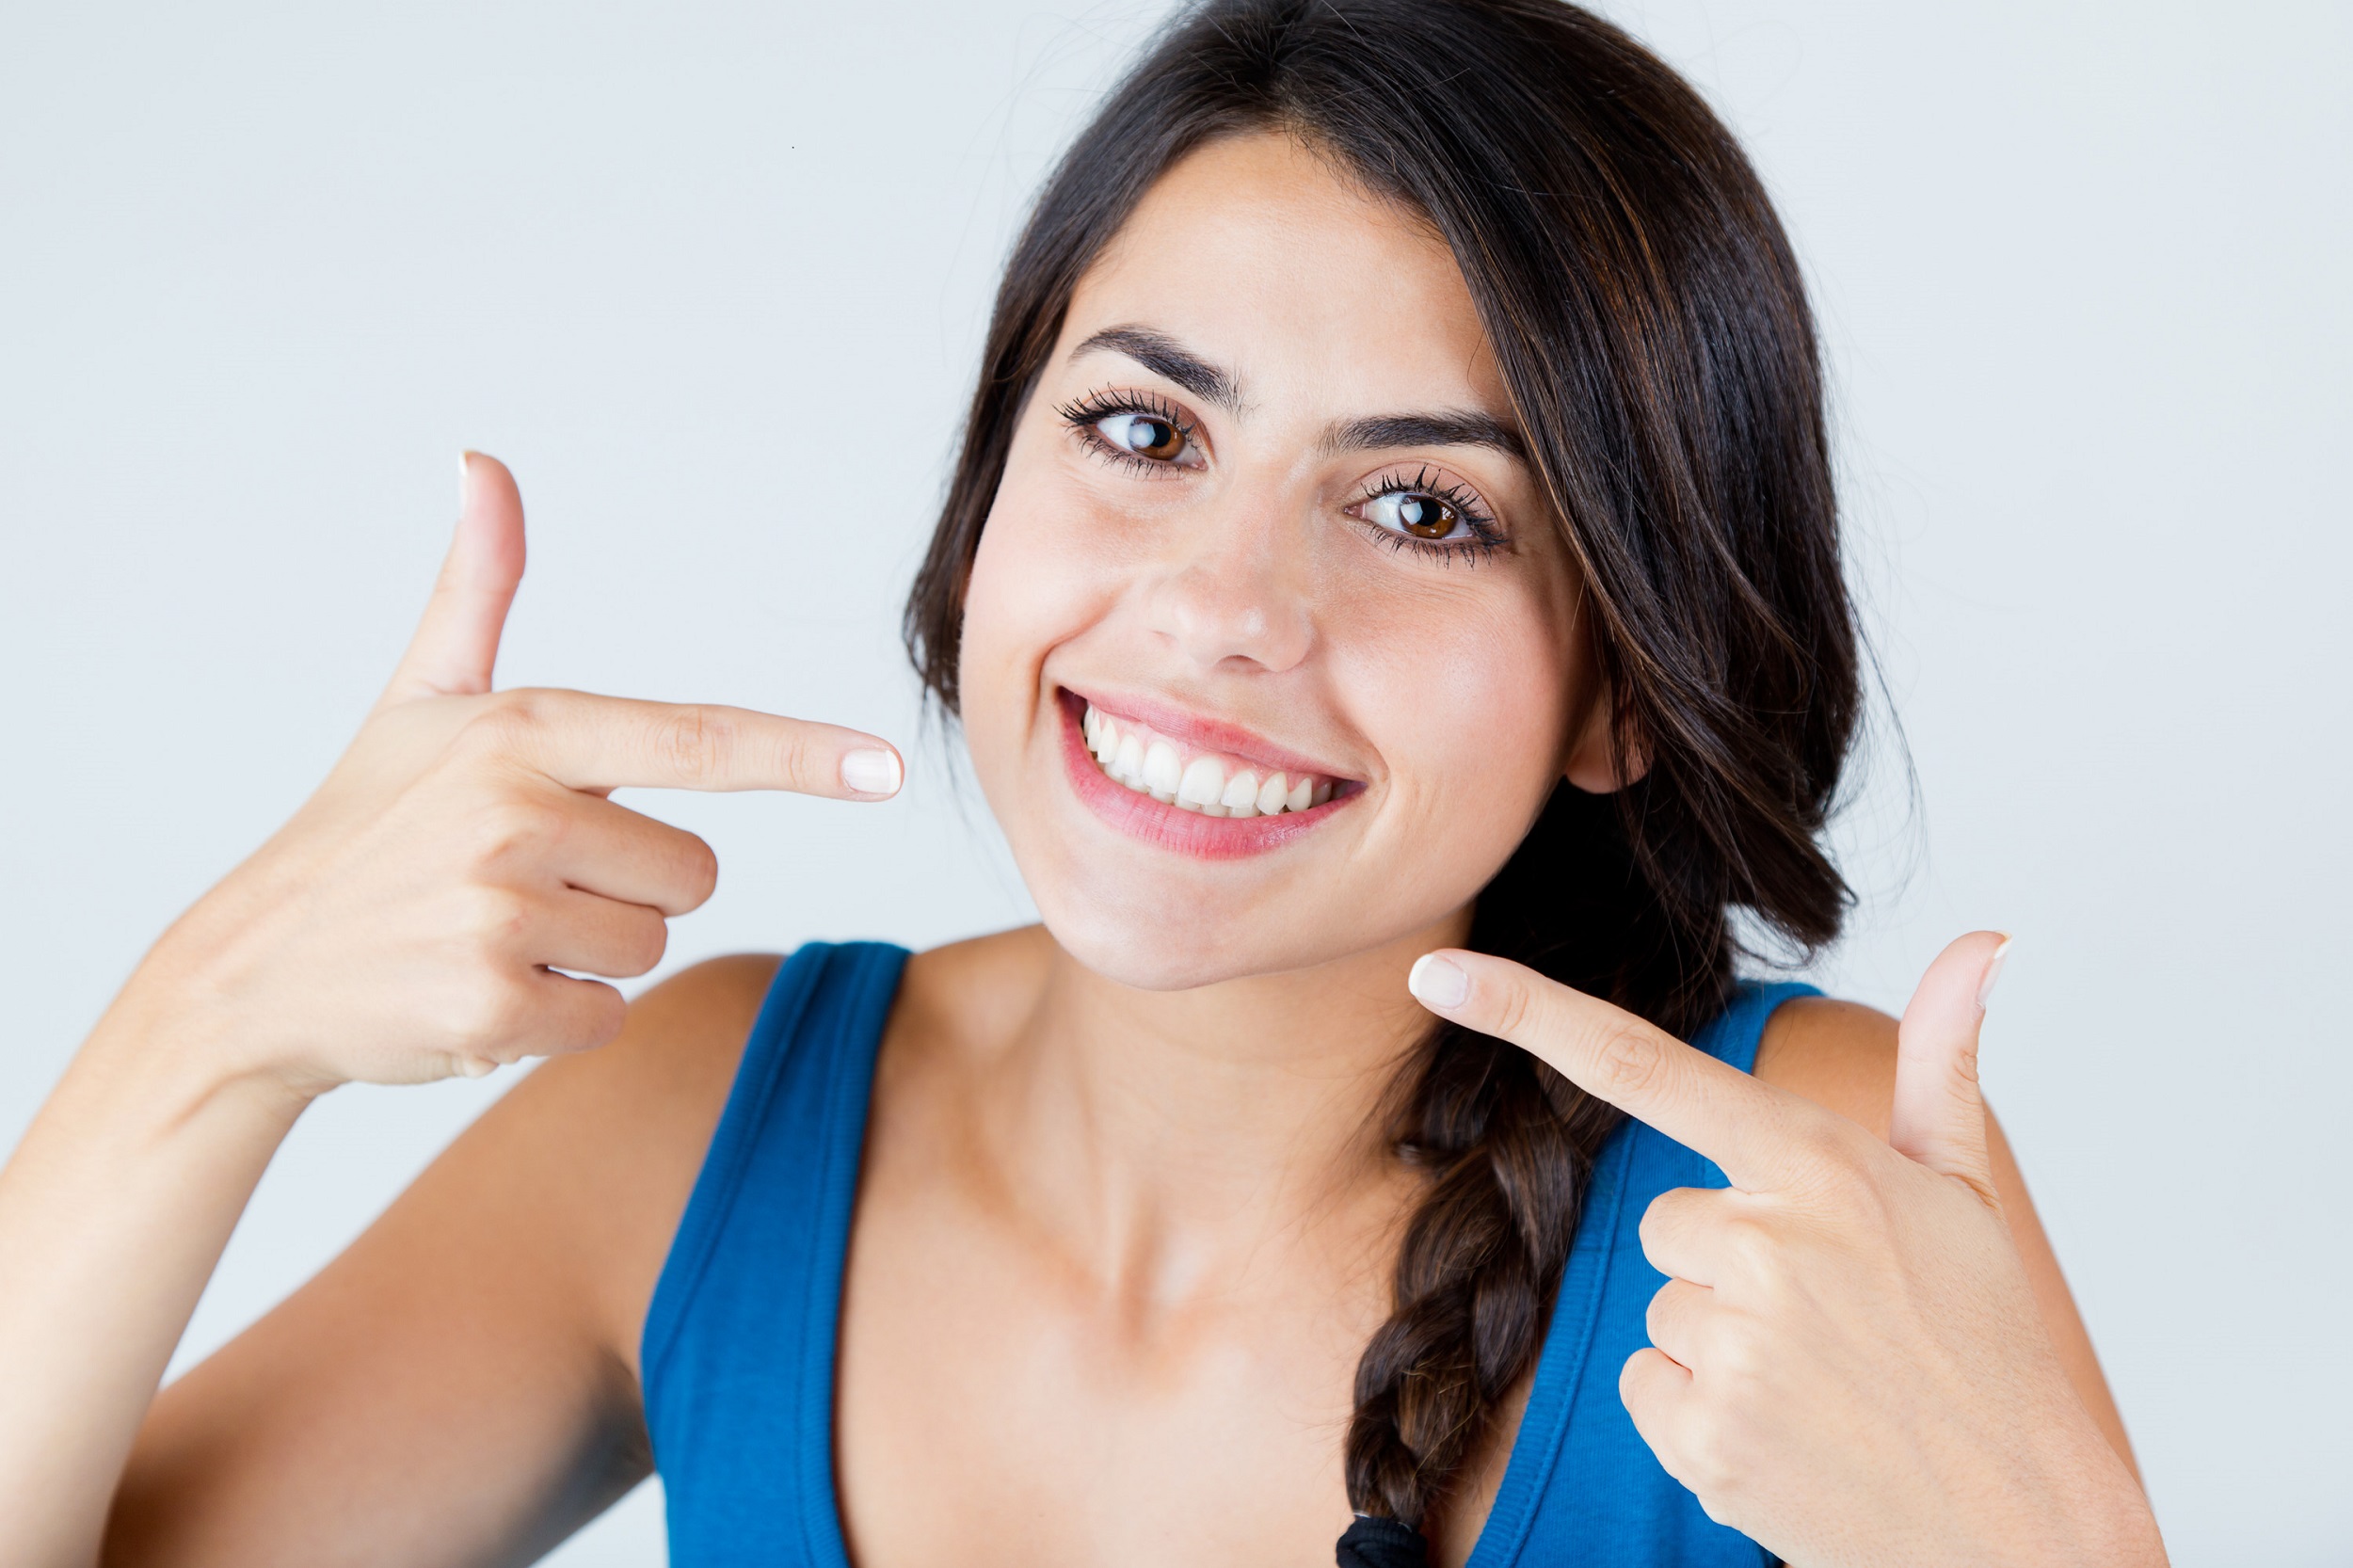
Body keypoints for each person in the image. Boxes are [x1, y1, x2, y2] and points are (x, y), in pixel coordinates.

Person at [0, 2, 2169, 1564]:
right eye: (1143, 432)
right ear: (985, 494)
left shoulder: (1796, 1188)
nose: (1223, 606)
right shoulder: (700, 1123)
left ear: (1629, 683)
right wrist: (214, 1019)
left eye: (1424, 511)